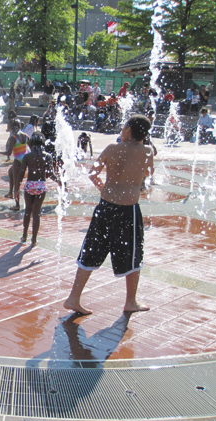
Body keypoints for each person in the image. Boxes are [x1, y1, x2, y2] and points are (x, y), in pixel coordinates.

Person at [63, 114, 154, 315]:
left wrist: (104, 188)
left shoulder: (112, 148)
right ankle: (131, 301)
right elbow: (148, 174)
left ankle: (73, 298)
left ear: (128, 129)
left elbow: (93, 173)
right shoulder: (147, 151)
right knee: (133, 254)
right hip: (129, 210)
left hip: (106, 206)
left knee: (92, 249)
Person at [15, 132, 60, 246]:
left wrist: (16, 189)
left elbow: (21, 174)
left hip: (30, 185)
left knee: (27, 211)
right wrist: (60, 181)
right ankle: (34, 240)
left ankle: (24, 236)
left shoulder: (27, 156)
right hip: (41, 186)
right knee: (36, 213)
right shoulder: (47, 156)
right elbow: (51, 174)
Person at [0, 118, 29, 211]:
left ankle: (17, 205)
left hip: (18, 161)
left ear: (12, 127)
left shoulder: (13, 137)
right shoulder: (25, 136)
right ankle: (10, 193)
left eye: (9, 127)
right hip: (24, 160)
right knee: (10, 172)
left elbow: (9, 153)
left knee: (17, 183)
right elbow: (31, 147)